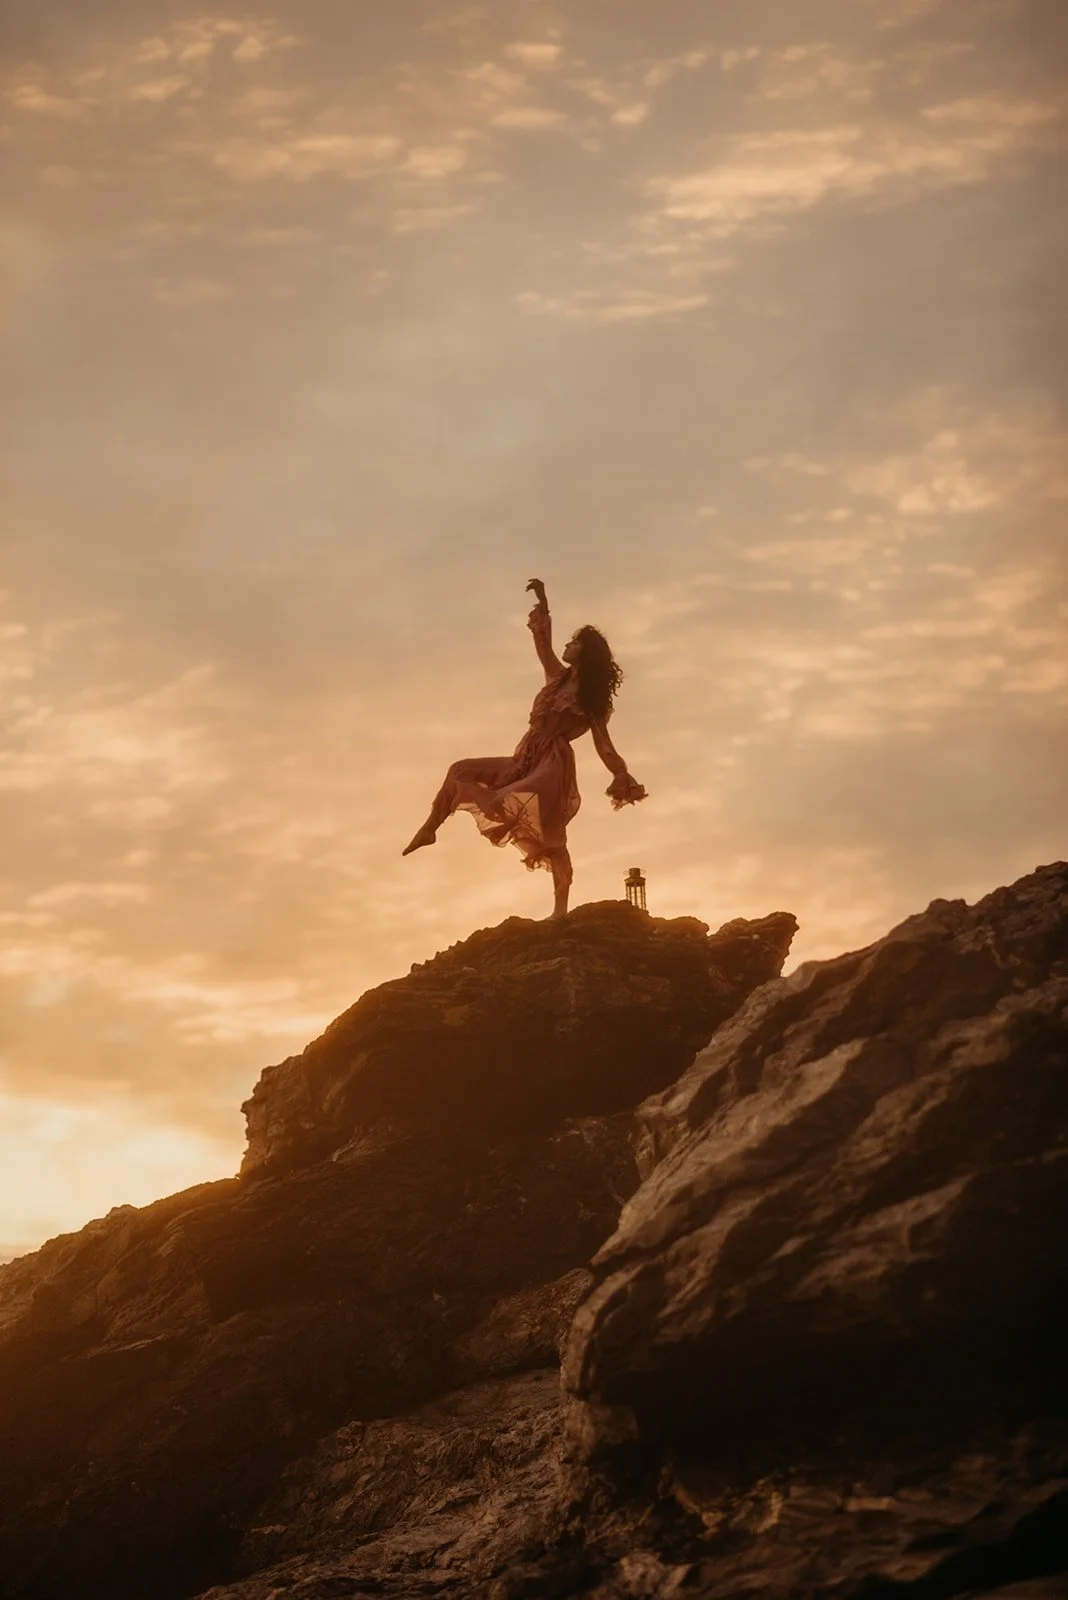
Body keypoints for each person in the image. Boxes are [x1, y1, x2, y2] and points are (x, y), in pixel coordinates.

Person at [402, 579, 647, 919]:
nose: (567, 644)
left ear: (586, 652)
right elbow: (543, 644)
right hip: (524, 757)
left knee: (551, 837)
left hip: (552, 765)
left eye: (574, 641)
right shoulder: (556, 679)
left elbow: (604, 745)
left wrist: (621, 774)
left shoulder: (591, 701)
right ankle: (429, 828)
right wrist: (544, 605)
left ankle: (560, 909)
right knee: (459, 769)